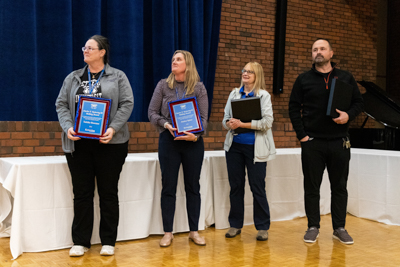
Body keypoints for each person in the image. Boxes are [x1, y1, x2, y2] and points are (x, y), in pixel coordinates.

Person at [55, 35, 134, 256]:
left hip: (110, 144)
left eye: (90, 48)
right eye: (84, 47)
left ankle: (108, 241)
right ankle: (80, 241)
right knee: (82, 193)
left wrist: (113, 128)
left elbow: (128, 103)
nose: (85, 51)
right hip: (79, 145)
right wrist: (68, 126)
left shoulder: (118, 76)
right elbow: (61, 103)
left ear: (102, 52)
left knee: (108, 193)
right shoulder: (73, 78)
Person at [288, 38, 363, 244]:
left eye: (322, 49)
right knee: (312, 186)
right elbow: (294, 108)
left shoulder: (346, 77)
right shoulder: (303, 79)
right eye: (314, 50)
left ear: (331, 53)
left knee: (339, 186)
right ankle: (313, 226)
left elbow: (358, 102)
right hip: (313, 142)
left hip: (339, 142)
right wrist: (302, 135)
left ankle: (339, 227)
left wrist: (349, 115)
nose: (318, 52)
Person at [148, 50, 209, 247]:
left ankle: (194, 231)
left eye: (179, 59)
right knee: (169, 187)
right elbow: (152, 112)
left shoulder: (199, 88)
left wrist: (196, 134)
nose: (174, 62)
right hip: (169, 141)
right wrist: (166, 125)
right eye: (173, 59)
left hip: (193, 143)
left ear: (188, 64)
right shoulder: (163, 85)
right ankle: (168, 232)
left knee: (193, 187)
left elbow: (204, 119)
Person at [222, 62, 276, 241]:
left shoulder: (264, 96)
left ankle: (262, 227)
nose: (245, 73)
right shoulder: (234, 93)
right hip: (234, 147)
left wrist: (243, 124)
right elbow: (225, 120)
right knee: (236, 187)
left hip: (256, 148)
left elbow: (267, 123)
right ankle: (235, 225)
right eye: (244, 70)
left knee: (257, 187)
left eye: (250, 71)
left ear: (257, 75)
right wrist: (229, 123)